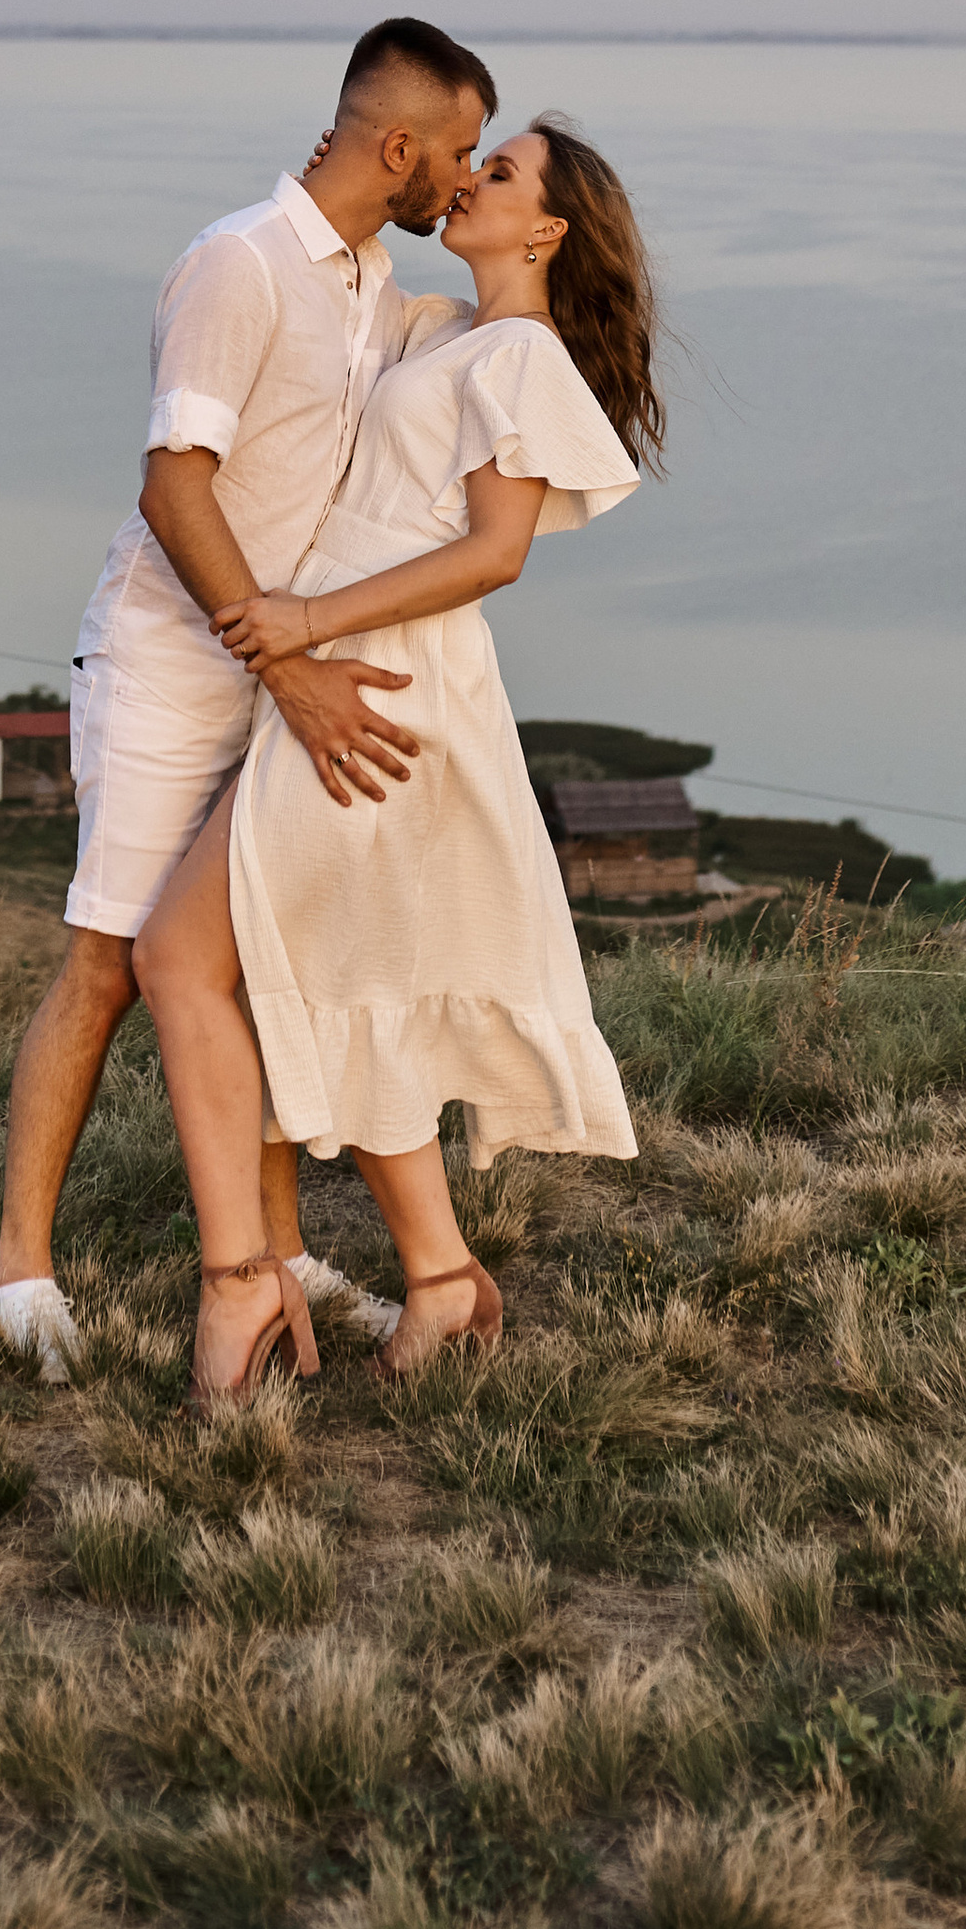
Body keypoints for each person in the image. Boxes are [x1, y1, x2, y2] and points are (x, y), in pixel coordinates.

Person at [0, 16, 500, 1379]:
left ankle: (277, 1250)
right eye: (460, 150)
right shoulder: (238, 264)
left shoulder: (375, 285)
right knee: (108, 959)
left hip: (282, 677)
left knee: (259, 958)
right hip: (171, 667)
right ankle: (19, 1271)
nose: (467, 172)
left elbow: (494, 356)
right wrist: (292, 670)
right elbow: (174, 481)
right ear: (398, 146)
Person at [133, 115, 665, 1405]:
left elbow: (497, 554)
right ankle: (432, 1277)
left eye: (502, 172)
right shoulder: (443, 330)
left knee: (189, 955)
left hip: (384, 683)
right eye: (475, 159)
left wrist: (303, 623)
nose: (471, 182)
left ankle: (254, 1288)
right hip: (340, 676)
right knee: (338, 974)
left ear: (547, 228)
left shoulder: (524, 359)